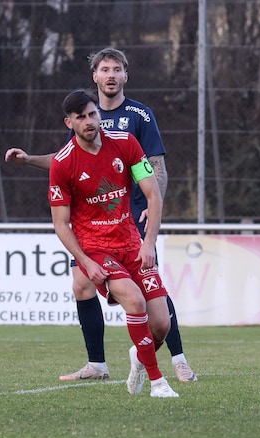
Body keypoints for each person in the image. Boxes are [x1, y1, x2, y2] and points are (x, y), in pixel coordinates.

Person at [5, 47, 197, 384]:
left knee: (152, 292)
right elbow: (67, 159)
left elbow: (158, 170)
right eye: (104, 69)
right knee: (81, 284)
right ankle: (97, 364)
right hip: (91, 224)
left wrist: (151, 212)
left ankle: (178, 358)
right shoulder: (83, 113)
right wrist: (29, 160)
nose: (110, 75)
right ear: (95, 76)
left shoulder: (140, 115)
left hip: (132, 220)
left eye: (116, 69)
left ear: (125, 75)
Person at [50, 89, 178, 397]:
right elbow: (60, 224)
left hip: (132, 242)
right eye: (81, 117)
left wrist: (149, 243)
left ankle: (140, 354)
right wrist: (87, 261)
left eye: (92, 114)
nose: (89, 121)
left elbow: (153, 195)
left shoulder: (125, 142)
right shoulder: (62, 163)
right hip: (96, 248)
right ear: (70, 122)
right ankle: (158, 382)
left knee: (161, 324)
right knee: (133, 301)